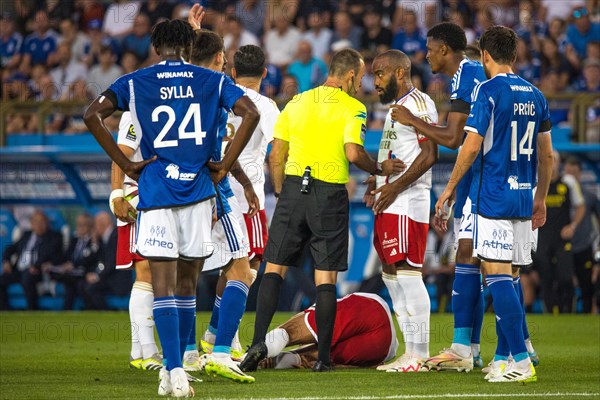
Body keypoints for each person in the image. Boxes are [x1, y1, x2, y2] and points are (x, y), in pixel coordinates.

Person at [84, 18, 259, 397]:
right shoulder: (211, 80)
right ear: (187, 45)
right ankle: (183, 363)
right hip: (199, 194)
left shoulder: (135, 81)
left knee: (159, 284)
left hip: (156, 194)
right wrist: (225, 167)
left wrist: (126, 164)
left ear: (155, 46)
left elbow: (90, 115)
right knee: (186, 288)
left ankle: (173, 370)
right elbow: (252, 113)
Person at [240, 48, 405, 373]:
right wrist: (379, 167)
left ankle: (259, 341)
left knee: (274, 269)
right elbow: (354, 153)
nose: (361, 84)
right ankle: (324, 360)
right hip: (328, 193)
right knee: (325, 277)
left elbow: (277, 154)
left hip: (291, 190)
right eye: (360, 77)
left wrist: (280, 190)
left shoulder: (296, 102)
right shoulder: (353, 108)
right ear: (350, 76)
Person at [435, 26, 553, 383]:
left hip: (493, 199)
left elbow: (469, 146)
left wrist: (450, 188)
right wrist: (541, 198)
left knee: (498, 276)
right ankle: (507, 355)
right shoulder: (536, 95)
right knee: (511, 276)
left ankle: (520, 361)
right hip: (523, 197)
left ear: (484, 55)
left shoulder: (487, 90)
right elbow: (547, 155)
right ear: (515, 56)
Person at [390, 22, 487, 371]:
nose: (425, 54)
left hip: (486, 175)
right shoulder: (472, 73)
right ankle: (475, 348)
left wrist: (412, 120)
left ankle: (468, 347)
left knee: (475, 255)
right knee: (479, 257)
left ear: (444, 50)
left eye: (430, 48)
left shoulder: (465, 73)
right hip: (480, 172)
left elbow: (450, 138)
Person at [182, 25, 258, 384]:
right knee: (242, 271)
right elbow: (249, 117)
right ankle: (223, 352)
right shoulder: (217, 85)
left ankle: (186, 355)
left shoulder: (176, 86)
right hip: (214, 189)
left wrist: (195, 34)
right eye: (223, 57)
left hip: (177, 190)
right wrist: (227, 171)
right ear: (218, 59)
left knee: (185, 276)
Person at [198, 42, 279, 367]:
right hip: (246, 199)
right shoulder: (267, 106)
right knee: (247, 270)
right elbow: (277, 151)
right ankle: (224, 341)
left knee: (227, 266)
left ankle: (214, 337)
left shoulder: (218, 94)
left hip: (210, 191)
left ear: (232, 71)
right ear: (264, 72)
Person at [363, 49, 438, 373]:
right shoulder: (394, 108)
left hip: (407, 201)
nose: (374, 81)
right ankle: (410, 353)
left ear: (398, 73)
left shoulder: (419, 104)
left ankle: (419, 352)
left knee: (408, 274)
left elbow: (429, 154)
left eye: (379, 74)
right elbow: (398, 151)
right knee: (391, 275)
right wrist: (379, 179)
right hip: (390, 199)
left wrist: (395, 186)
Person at [110, 112, 162, 371]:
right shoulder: (135, 113)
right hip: (138, 194)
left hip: (160, 193)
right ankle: (149, 352)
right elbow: (121, 155)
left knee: (155, 273)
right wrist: (117, 195)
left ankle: (138, 350)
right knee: (146, 271)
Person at [257, 293, 398, 369]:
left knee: (292, 332)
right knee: (318, 357)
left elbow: (296, 329)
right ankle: (269, 359)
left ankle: (250, 355)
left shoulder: (320, 310)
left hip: (373, 310)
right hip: (384, 352)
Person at [534, 151, 585, 314]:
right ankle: (549, 310)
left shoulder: (568, 182)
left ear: (558, 163)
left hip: (562, 238)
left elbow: (581, 206)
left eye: (554, 160)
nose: (551, 163)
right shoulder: (537, 184)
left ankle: (567, 310)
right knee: (546, 276)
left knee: (565, 277)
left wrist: (573, 226)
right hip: (542, 236)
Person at [0, 210, 63, 310]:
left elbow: (51, 254)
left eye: (43, 222)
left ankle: (32, 309)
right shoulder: (26, 235)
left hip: (38, 271)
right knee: (2, 279)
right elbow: (10, 249)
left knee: (28, 277)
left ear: (47, 223)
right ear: (32, 224)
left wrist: (36, 265)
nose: (40, 225)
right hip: (19, 270)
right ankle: (5, 310)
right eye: (37, 222)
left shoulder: (54, 237)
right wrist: (6, 261)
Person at [564, 157, 599, 313]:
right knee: (564, 282)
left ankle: (586, 313)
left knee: (586, 283)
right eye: (567, 172)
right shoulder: (559, 192)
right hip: (563, 245)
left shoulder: (589, 197)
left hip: (583, 245)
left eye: (573, 172)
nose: (570, 175)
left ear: (580, 173)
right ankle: (564, 313)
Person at [47, 212, 99, 310]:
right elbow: (66, 256)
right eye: (78, 224)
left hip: (84, 271)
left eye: (82, 225)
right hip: (71, 272)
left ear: (89, 226)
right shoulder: (74, 240)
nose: (78, 227)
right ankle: (68, 309)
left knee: (73, 282)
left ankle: (69, 309)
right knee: (68, 281)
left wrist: (72, 265)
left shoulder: (94, 241)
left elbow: (91, 258)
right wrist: (54, 264)